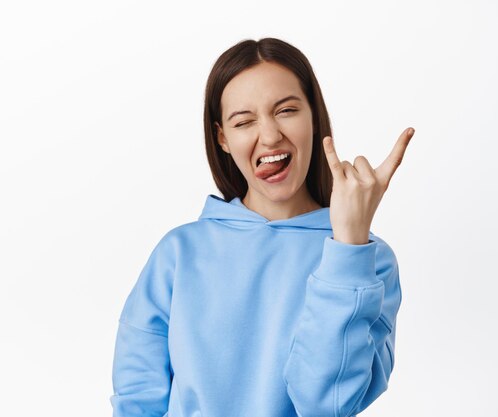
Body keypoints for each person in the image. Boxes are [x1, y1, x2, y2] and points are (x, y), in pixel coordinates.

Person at [109, 37, 414, 417]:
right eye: (244, 121)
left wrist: (348, 248)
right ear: (223, 138)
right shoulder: (179, 253)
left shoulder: (368, 261)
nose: (269, 136)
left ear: (314, 117)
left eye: (286, 110)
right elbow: (137, 401)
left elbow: (326, 405)